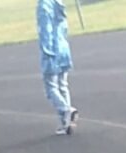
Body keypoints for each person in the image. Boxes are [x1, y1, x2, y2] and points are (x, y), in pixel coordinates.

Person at [37, 0, 75, 134]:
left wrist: (47, 51)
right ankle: (66, 124)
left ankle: (66, 110)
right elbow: (64, 25)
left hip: (52, 49)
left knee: (51, 87)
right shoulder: (58, 2)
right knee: (63, 85)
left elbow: (45, 29)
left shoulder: (43, 5)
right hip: (63, 46)